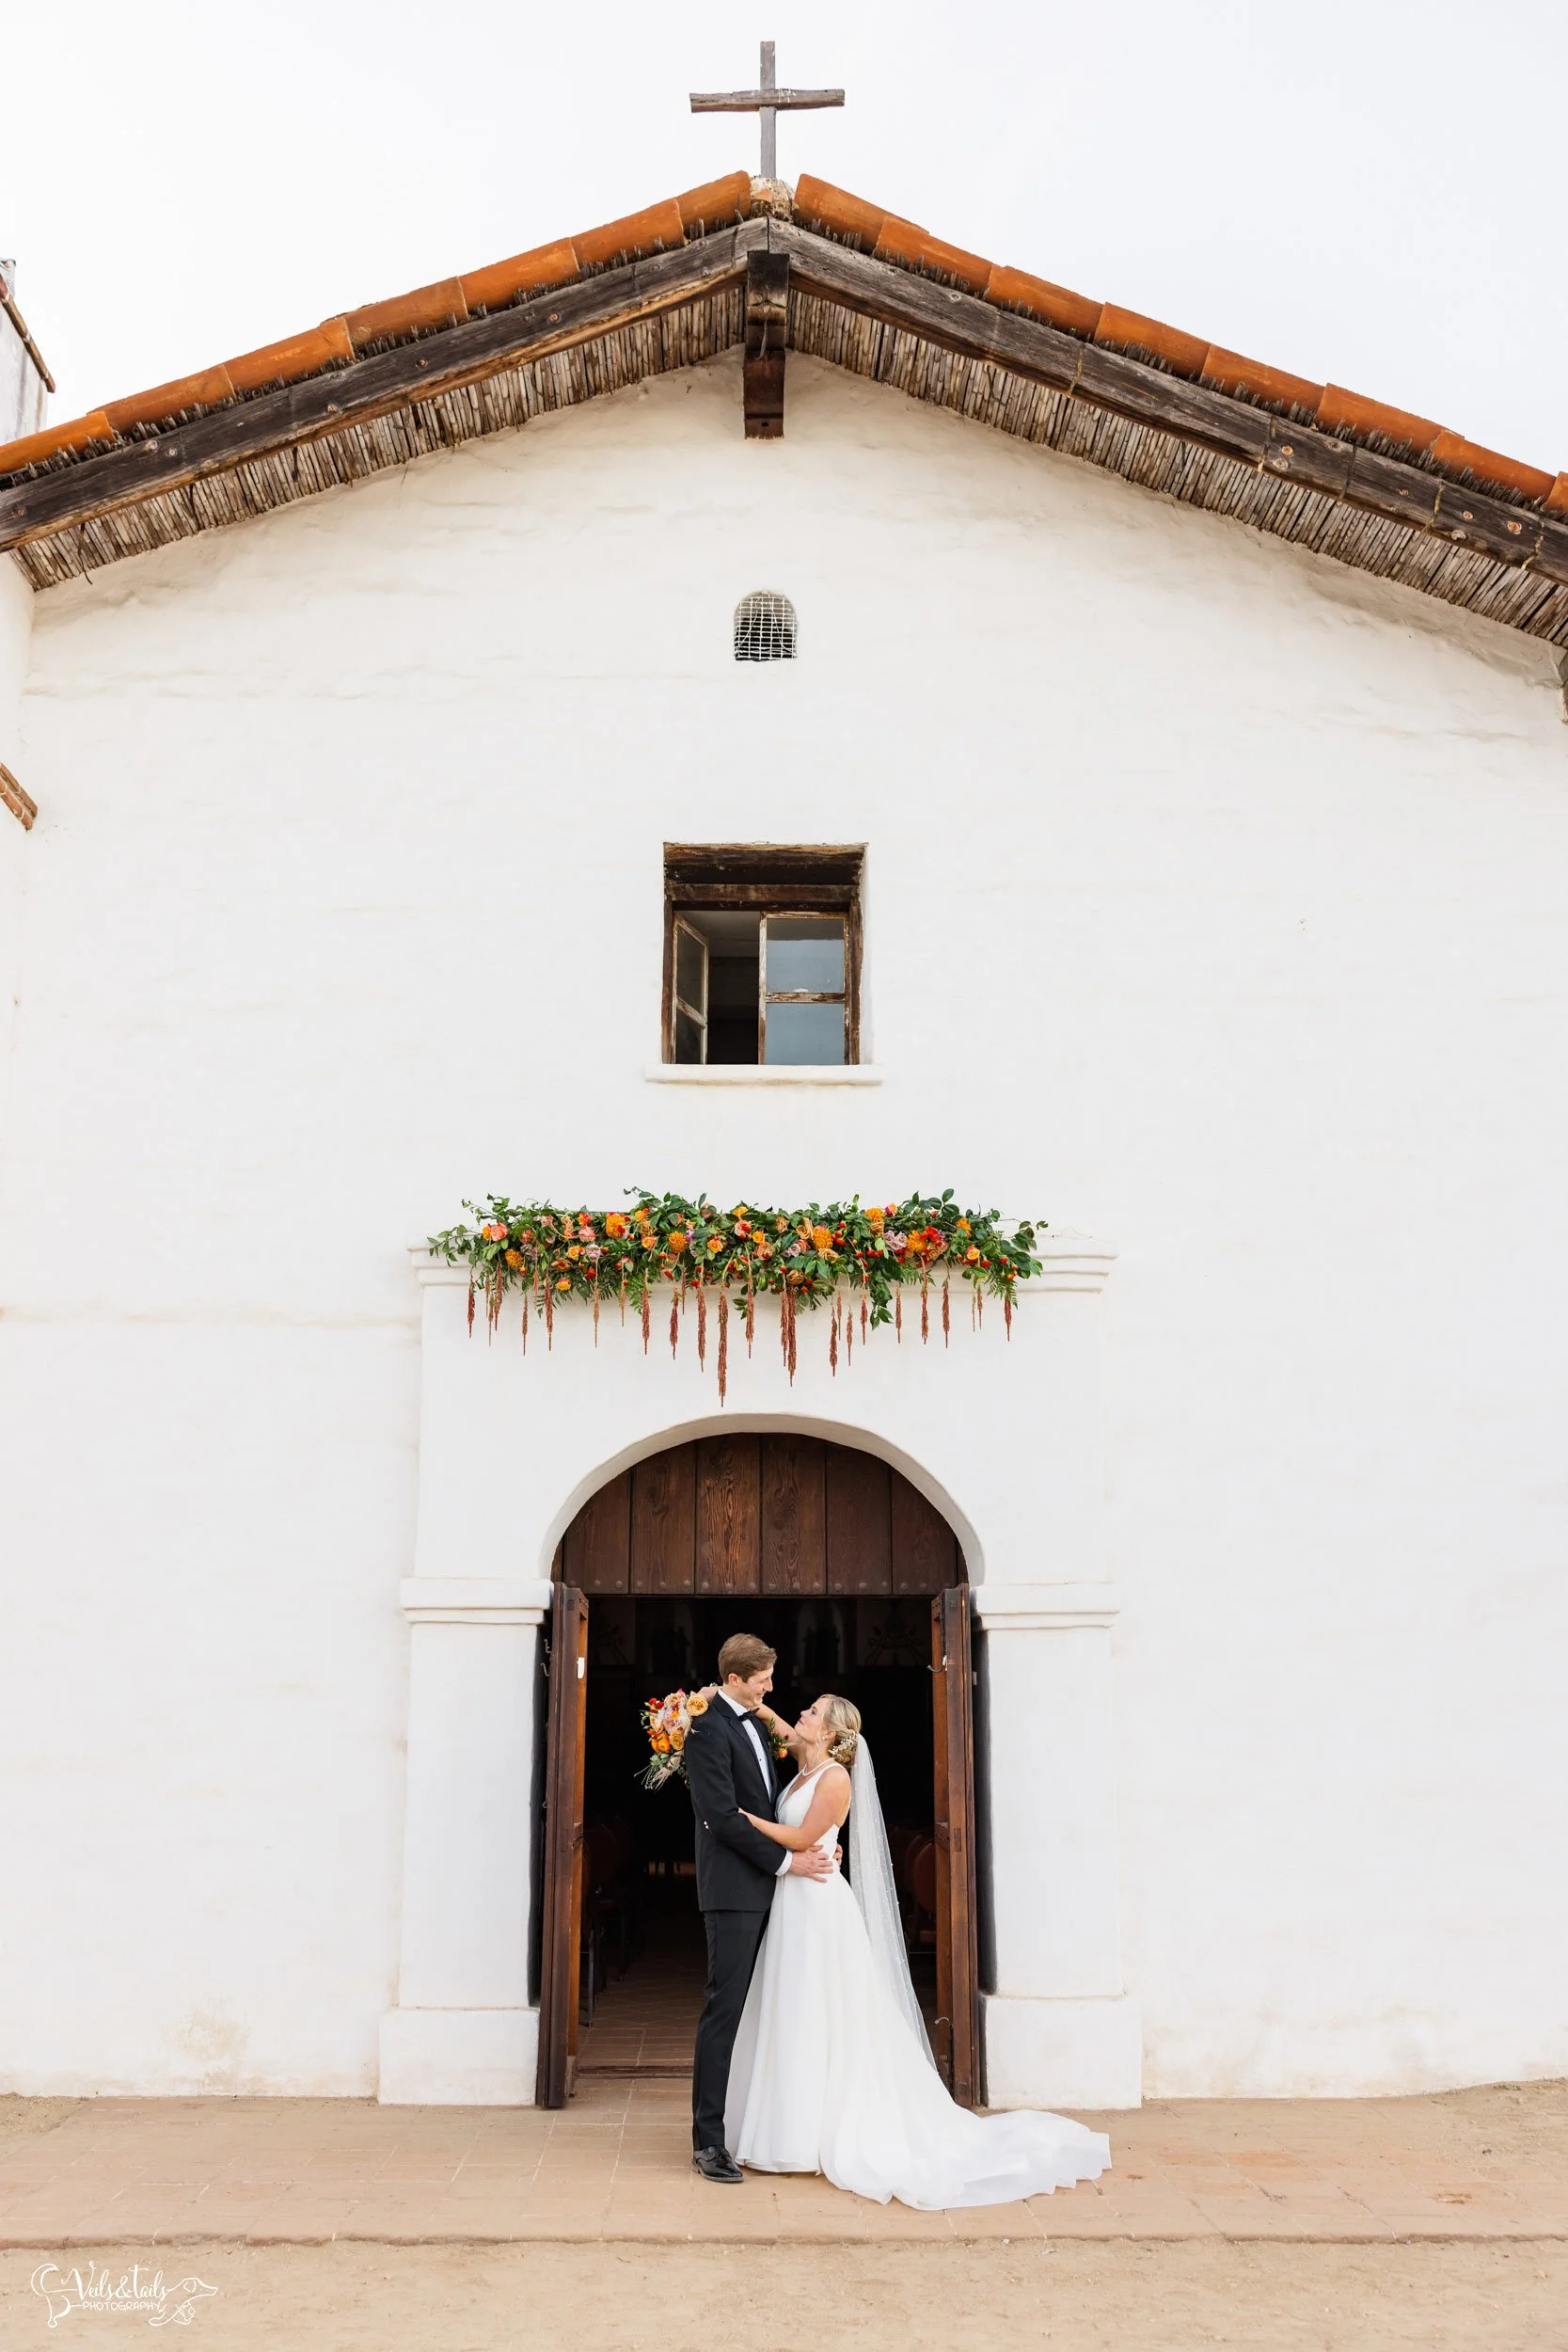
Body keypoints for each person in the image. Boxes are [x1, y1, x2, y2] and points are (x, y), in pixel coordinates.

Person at [721, 1690, 1113, 2209]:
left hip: (817, 1904)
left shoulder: (835, 1779)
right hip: (794, 1900)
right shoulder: (802, 1765)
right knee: (792, 2009)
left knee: (819, 2009)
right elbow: (776, 1726)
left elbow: (800, 1838)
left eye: (812, 1712)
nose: (801, 1714)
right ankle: (786, 2129)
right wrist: (725, 1697)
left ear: (832, 1733)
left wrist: (738, 1819)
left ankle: (811, 2131)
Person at [683, 1633, 835, 2185]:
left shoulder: (751, 1721)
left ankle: (759, 2123)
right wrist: (785, 1863)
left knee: (768, 2009)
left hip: (779, 1892)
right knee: (724, 2010)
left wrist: (817, 1841)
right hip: (735, 1892)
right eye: (762, 1679)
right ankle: (707, 2143)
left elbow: (785, 1802)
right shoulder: (705, 1729)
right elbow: (722, 1817)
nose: (771, 1687)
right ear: (735, 1680)